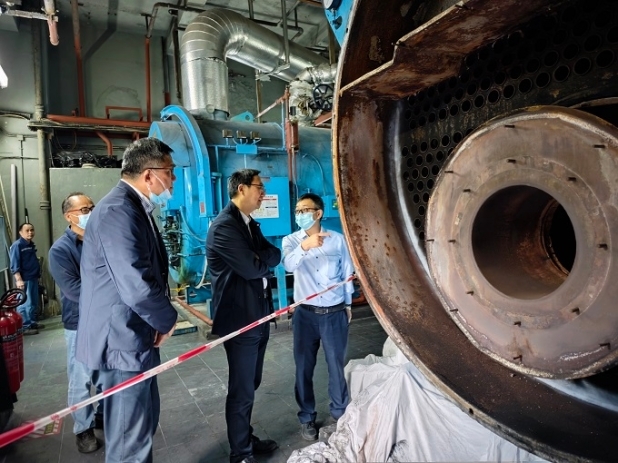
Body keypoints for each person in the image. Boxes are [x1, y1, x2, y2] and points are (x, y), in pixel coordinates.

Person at [76, 138, 178, 463]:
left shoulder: (135, 207)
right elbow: (136, 284)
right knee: (129, 442)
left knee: (141, 427)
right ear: (149, 175)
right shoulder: (118, 211)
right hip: (120, 343)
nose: (173, 178)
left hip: (134, 336)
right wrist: (167, 320)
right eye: (169, 171)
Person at [207, 169, 281, 463]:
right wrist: (262, 259)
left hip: (259, 315)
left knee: (251, 383)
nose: (264, 193)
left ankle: (245, 437)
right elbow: (253, 268)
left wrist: (261, 258)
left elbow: (274, 254)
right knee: (241, 389)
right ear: (241, 188)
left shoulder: (248, 223)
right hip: (241, 321)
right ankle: (241, 453)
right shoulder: (224, 227)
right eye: (259, 187)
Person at [282, 193, 354, 441]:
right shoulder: (291, 241)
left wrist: (347, 304)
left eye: (304, 210)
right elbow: (288, 265)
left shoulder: (337, 240)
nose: (299, 214)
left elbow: (347, 272)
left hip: (334, 313)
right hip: (305, 315)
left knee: (336, 366)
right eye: (297, 211)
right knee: (304, 367)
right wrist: (305, 246)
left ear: (319, 213)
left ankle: (340, 413)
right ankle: (307, 417)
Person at [48, 192, 102, 453]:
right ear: (69, 216)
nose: (90, 212)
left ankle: (102, 414)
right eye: (84, 209)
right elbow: (74, 291)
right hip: (79, 322)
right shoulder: (60, 251)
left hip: (105, 319)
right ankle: (83, 429)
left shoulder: (100, 240)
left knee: (106, 373)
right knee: (81, 378)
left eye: (92, 207)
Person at [9, 223, 42, 335]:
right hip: (24, 279)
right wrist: (18, 280)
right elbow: (14, 264)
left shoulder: (30, 244)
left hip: (33, 277)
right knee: (24, 303)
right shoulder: (17, 245)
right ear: (20, 232)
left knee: (33, 302)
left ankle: (32, 322)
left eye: (32, 230)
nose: (30, 232)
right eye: (27, 230)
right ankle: (24, 326)